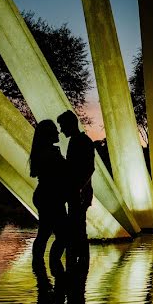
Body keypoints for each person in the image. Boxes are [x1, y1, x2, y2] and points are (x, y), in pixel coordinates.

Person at [56, 110, 94, 274]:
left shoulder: (82, 141)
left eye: (63, 126)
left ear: (70, 124)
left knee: (78, 227)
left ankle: (79, 264)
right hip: (76, 192)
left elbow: (89, 168)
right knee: (77, 227)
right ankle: (78, 265)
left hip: (79, 193)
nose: (61, 130)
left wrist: (79, 188)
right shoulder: (77, 141)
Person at [29, 119, 67, 264]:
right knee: (57, 234)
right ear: (48, 134)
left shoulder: (44, 152)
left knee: (46, 233)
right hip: (50, 197)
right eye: (55, 130)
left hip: (47, 195)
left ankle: (42, 267)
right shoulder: (48, 154)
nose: (58, 132)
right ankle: (51, 266)